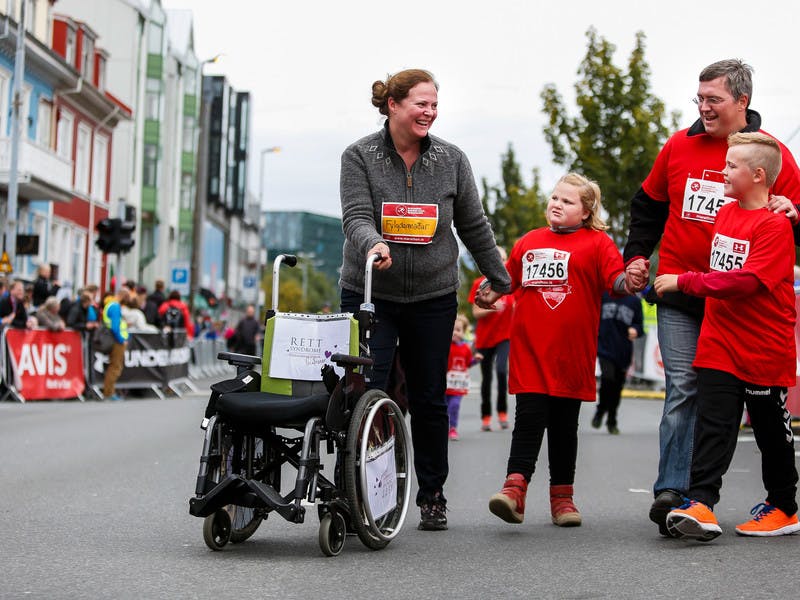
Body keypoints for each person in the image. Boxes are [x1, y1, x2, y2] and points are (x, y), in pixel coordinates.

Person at [622, 59, 800, 536]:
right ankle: (680, 494)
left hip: (747, 309)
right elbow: (649, 205)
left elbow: (787, 236)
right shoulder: (680, 145)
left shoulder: (774, 156)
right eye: (698, 99)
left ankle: (782, 500)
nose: (703, 108)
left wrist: (795, 211)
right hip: (683, 291)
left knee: (761, 410)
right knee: (687, 387)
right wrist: (637, 257)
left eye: (714, 100)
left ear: (742, 102)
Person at [338, 68, 511, 531]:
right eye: (421, 103)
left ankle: (432, 494)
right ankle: (356, 488)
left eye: (434, 104)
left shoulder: (452, 160)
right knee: (365, 392)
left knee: (429, 396)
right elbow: (355, 215)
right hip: (370, 290)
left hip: (433, 295)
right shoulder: (360, 155)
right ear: (393, 105)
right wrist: (374, 243)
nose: (430, 112)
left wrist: (501, 278)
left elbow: (473, 225)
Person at [654, 133, 799, 540]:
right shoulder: (725, 214)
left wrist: (684, 281)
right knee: (714, 424)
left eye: (731, 166)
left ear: (757, 174)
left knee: (771, 431)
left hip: (763, 346)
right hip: (719, 341)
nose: (722, 171)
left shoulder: (775, 226)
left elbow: (747, 281)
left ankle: (784, 506)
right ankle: (701, 503)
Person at [478, 173, 630, 528]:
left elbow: (617, 282)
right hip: (530, 350)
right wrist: (489, 291)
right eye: (555, 198)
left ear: (586, 212)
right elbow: (506, 281)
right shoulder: (529, 241)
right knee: (529, 419)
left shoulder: (598, 243)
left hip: (572, 355)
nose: (557, 204)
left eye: (568, 201)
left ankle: (562, 499)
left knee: (564, 426)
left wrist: (631, 279)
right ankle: (514, 491)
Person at [468, 246, 514, 432]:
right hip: (485, 338)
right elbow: (476, 313)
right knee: (486, 378)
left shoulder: (510, 284)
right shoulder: (480, 283)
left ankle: (502, 413)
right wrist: (491, 306)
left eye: (503, 259)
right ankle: (486, 416)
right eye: (497, 259)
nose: (500, 263)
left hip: (505, 336)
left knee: (502, 371)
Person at [591, 291, 644, 435]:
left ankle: (611, 419)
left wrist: (636, 330)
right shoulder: (604, 296)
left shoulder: (634, 301)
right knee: (607, 379)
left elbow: (639, 325)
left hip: (623, 350)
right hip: (604, 348)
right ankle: (600, 411)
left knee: (616, 387)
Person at [445, 314, 482, 442]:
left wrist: (476, 360)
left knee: (454, 406)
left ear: (464, 332)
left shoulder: (466, 349)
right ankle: (443, 429)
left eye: (459, 330)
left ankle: (453, 428)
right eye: (453, 329)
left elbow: (468, 363)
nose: (455, 332)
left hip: (457, 386)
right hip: (445, 385)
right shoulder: (445, 347)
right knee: (443, 408)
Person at [102, 288, 130, 401]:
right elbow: (115, 327)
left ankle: (109, 392)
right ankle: (109, 393)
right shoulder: (115, 307)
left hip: (112, 339)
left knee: (113, 366)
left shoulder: (110, 304)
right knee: (115, 367)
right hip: (116, 341)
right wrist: (121, 339)